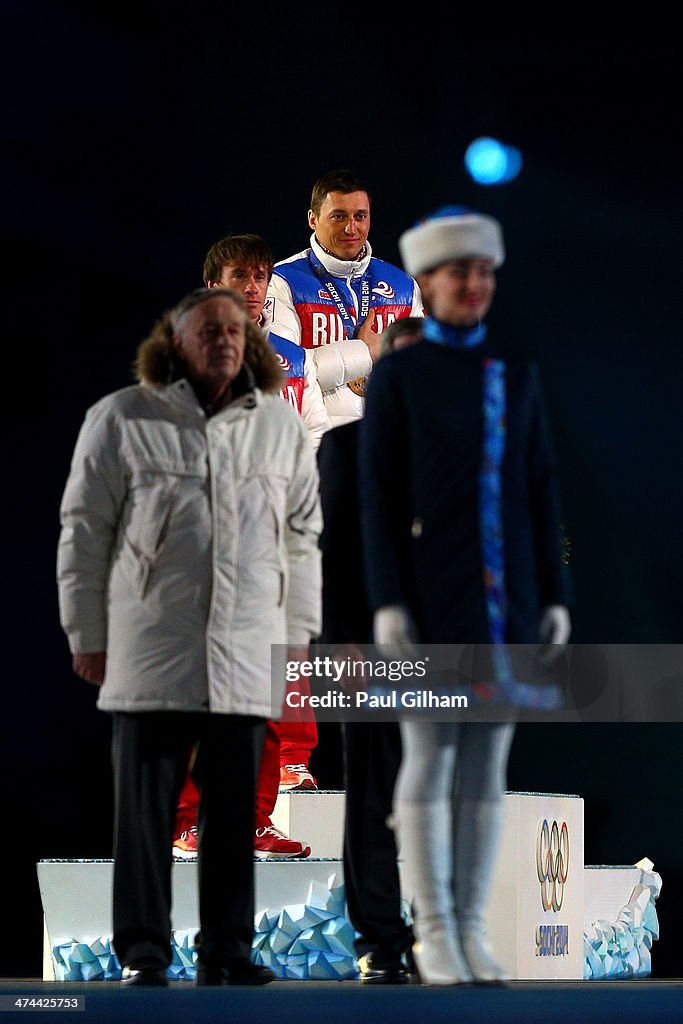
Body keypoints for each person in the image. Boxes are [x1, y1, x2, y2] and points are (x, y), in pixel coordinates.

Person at [57, 286, 322, 987]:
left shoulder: (279, 425)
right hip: (152, 651)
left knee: (232, 812)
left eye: (235, 329)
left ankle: (227, 950)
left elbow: (302, 537)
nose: (225, 340)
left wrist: (296, 636)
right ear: (175, 340)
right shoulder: (120, 417)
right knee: (145, 814)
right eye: (208, 329)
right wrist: (87, 633)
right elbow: (83, 534)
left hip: (245, 649)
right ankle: (143, 951)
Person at [358, 207, 572, 985]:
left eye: (483, 272)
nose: (474, 285)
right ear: (426, 282)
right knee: (431, 751)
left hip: (505, 593)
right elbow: (376, 494)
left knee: (487, 760)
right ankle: (433, 930)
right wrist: (387, 598)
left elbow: (540, 484)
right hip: (428, 593)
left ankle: (470, 926)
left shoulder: (512, 370)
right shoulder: (400, 373)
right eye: (459, 273)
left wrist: (554, 588)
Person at [172, 235, 327, 864]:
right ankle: (185, 822)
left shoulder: (290, 358)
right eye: (240, 274)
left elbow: (314, 435)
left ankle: (255, 821)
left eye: (262, 276)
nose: (254, 286)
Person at [317, 316, 423, 985]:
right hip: (367, 651)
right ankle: (381, 940)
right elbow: (325, 556)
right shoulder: (344, 445)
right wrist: (342, 643)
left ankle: (446, 930)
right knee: (374, 795)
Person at [266, 168, 424, 427]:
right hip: (321, 447)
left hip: (387, 443)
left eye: (360, 216)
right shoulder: (282, 282)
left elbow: (423, 373)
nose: (351, 228)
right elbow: (284, 377)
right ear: (313, 219)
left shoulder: (403, 286)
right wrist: (367, 352)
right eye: (338, 217)